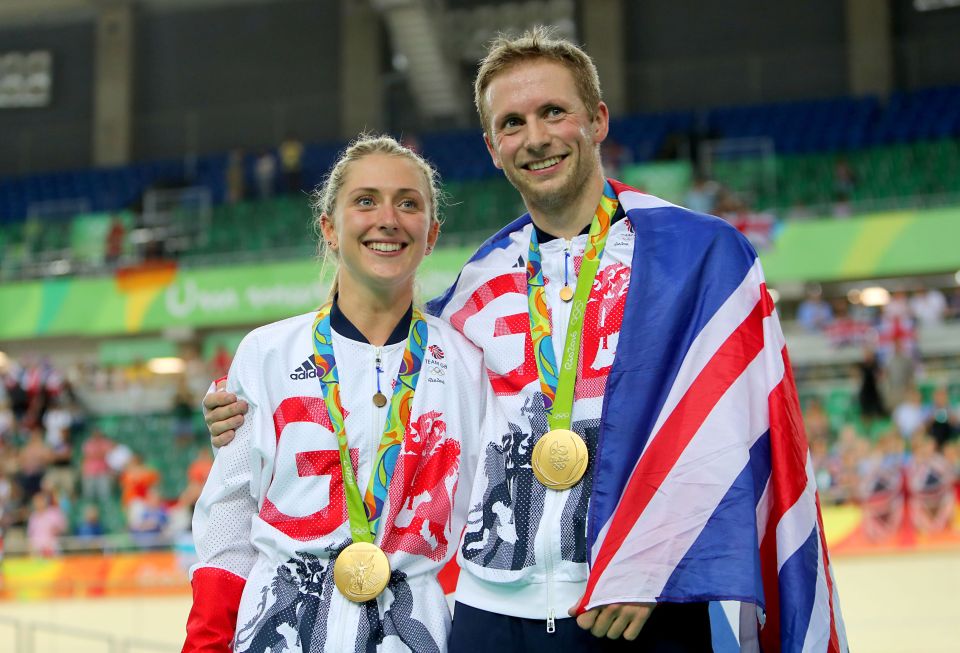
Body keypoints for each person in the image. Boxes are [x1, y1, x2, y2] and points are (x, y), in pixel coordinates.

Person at [204, 27, 846, 652]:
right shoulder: (472, 293)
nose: (535, 138)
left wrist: (655, 559)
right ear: (491, 146)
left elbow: (733, 427)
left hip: (636, 605)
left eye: (553, 113)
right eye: (512, 123)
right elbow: (387, 405)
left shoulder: (695, 258)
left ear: (596, 120)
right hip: (489, 614)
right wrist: (247, 417)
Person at [182, 135, 493, 653]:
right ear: (329, 227)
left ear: (432, 234)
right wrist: (206, 642)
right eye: (365, 200)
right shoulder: (266, 353)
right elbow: (230, 519)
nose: (388, 218)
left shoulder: (467, 362)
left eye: (408, 203)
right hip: (279, 630)